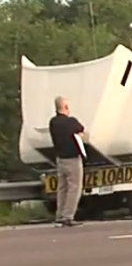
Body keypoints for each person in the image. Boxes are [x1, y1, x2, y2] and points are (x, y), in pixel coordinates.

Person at [48, 96, 85, 226]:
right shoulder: (71, 122)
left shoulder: (53, 122)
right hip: (72, 158)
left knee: (62, 188)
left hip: (60, 159)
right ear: (66, 107)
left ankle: (59, 215)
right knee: (74, 188)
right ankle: (67, 216)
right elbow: (81, 130)